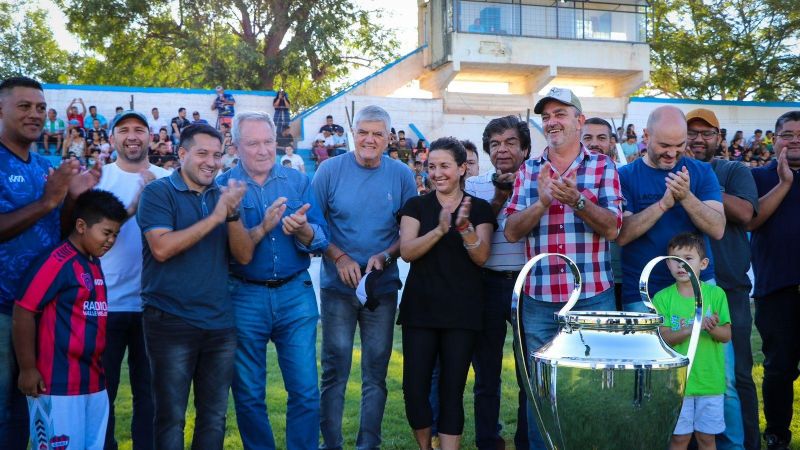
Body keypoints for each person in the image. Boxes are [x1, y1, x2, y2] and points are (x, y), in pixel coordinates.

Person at [503, 87, 623, 448]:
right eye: (546, 116)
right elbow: (510, 231)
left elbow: (614, 228)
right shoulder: (528, 171)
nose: (552, 122)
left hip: (592, 299)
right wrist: (541, 204)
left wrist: (578, 201)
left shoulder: (602, 166)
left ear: (579, 120)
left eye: (560, 114)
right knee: (542, 397)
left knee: (592, 393)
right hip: (539, 302)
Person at [136, 123, 252, 450]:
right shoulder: (158, 192)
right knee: (171, 417)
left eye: (217, 155)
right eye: (202, 153)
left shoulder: (222, 196)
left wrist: (230, 215)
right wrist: (216, 216)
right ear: (182, 153)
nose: (212, 162)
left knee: (214, 417)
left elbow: (243, 255)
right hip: (170, 321)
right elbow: (162, 248)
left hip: (219, 324)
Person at [217, 111, 328, 450]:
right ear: (236, 146)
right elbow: (222, 252)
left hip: (295, 294)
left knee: (306, 391)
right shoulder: (222, 187)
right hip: (243, 295)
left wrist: (305, 231)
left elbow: (322, 238)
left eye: (268, 141)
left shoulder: (297, 180)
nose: (264, 150)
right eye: (253, 143)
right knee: (249, 394)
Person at [0, 76, 101, 449]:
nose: (35, 114)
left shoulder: (45, 165)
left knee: (35, 410)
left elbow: (56, 234)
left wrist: (72, 198)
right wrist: (47, 201)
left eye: (41, 108)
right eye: (24, 106)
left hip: (42, 311)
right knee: (4, 413)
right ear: (1, 110)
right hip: (3, 309)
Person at [312, 105, 417, 450]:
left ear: (389, 138)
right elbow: (314, 225)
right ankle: (331, 444)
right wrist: (338, 256)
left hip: (381, 288)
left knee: (375, 373)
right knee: (334, 370)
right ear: (352, 133)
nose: (369, 139)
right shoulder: (329, 170)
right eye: (363, 132)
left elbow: (409, 232)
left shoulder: (401, 174)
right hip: (337, 288)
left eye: (377, 134)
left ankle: (367, 444)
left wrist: (387, 255)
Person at [398, 137, 495, 450]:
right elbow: (407, 252)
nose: (437, 173)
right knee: (414, 388)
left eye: (444, 166)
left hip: (462, 313)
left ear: (462, 168)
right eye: (431, 166)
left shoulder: (478, 209)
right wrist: (439, 230)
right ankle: (426, 447)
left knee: (452, 389)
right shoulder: (416, 206)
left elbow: (481, 257)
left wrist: (464, 228)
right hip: (420, 311)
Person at [13, 189, 127, 450]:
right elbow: (24, 310)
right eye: (107, 233)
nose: (111, 241)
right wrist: (28, 368)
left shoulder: (93, 262)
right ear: (81, 226)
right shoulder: (56, 262)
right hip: (57, 385)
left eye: (116, 235)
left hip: (94, 382)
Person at [96, 110, 171, 450]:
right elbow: (92, 239)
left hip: (154, 306)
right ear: (112, 139)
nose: (132, 135)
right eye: (123, 130)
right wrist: (139, 203)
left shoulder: (169, 178)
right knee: (101, 396)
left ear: (150, 137)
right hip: (104, 305)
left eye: (139, 130)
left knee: (151, 397)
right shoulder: (98, 178)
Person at [686, 108, 759, 450]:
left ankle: (746, 444)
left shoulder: (734, 170)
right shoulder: (672, 173)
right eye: (692, 133)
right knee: (686, 376)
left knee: (736, 376)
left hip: (729, 288)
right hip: (681, 291)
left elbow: (745, 213)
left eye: (707, 133)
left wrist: (703, 180)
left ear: (719, 138)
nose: (698, 139)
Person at [616, 106, 725, 312]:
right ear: (646, 136)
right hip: (644, 291)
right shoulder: (625, 176)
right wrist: (662, 205)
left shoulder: (701, 171)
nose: (672, 153)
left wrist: (686, 196)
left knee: (706, 345)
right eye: (664, 145)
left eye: (680, 145)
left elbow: (718, 228)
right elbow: (622, 235)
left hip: (697, 287)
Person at [464, 115, 531, 450]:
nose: (502, 150)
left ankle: (526, 441)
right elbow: (473, 233)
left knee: (528, 375)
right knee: (486, 374)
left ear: (525, 148)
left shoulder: (537, 180)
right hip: (486, 284)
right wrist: (499, 197)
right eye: (494, 144)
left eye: (509, 142)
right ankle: (488, 442)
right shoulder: (474, 185)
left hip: (529, 286)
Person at [747, 111, 800, 450]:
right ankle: (777, 434)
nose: (794, 139)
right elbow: (750, 222)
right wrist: (784, 183)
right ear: (774, 138)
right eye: (787, 134)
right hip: (777, 290)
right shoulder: (757, 178)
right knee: (779, 369)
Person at [653, 233, 731, 450]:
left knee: (707, 439)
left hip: (710, 382)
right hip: (677, 385)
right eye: (675, 260)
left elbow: (726, 335)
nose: (681, 265)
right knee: (679, 439)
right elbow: (663, 338)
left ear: (703, 263)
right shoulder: (662, 298)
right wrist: (695, 326)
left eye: (688, 258)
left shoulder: (716, 295)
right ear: (667, 264)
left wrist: (711, 327)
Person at [581, 117, 625, 307]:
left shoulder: (624, 172)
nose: (594, 143)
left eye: (601, 138)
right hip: (589, 275)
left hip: (621, 271)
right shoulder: (573, 176)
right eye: (588, 137)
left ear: (611, 142)